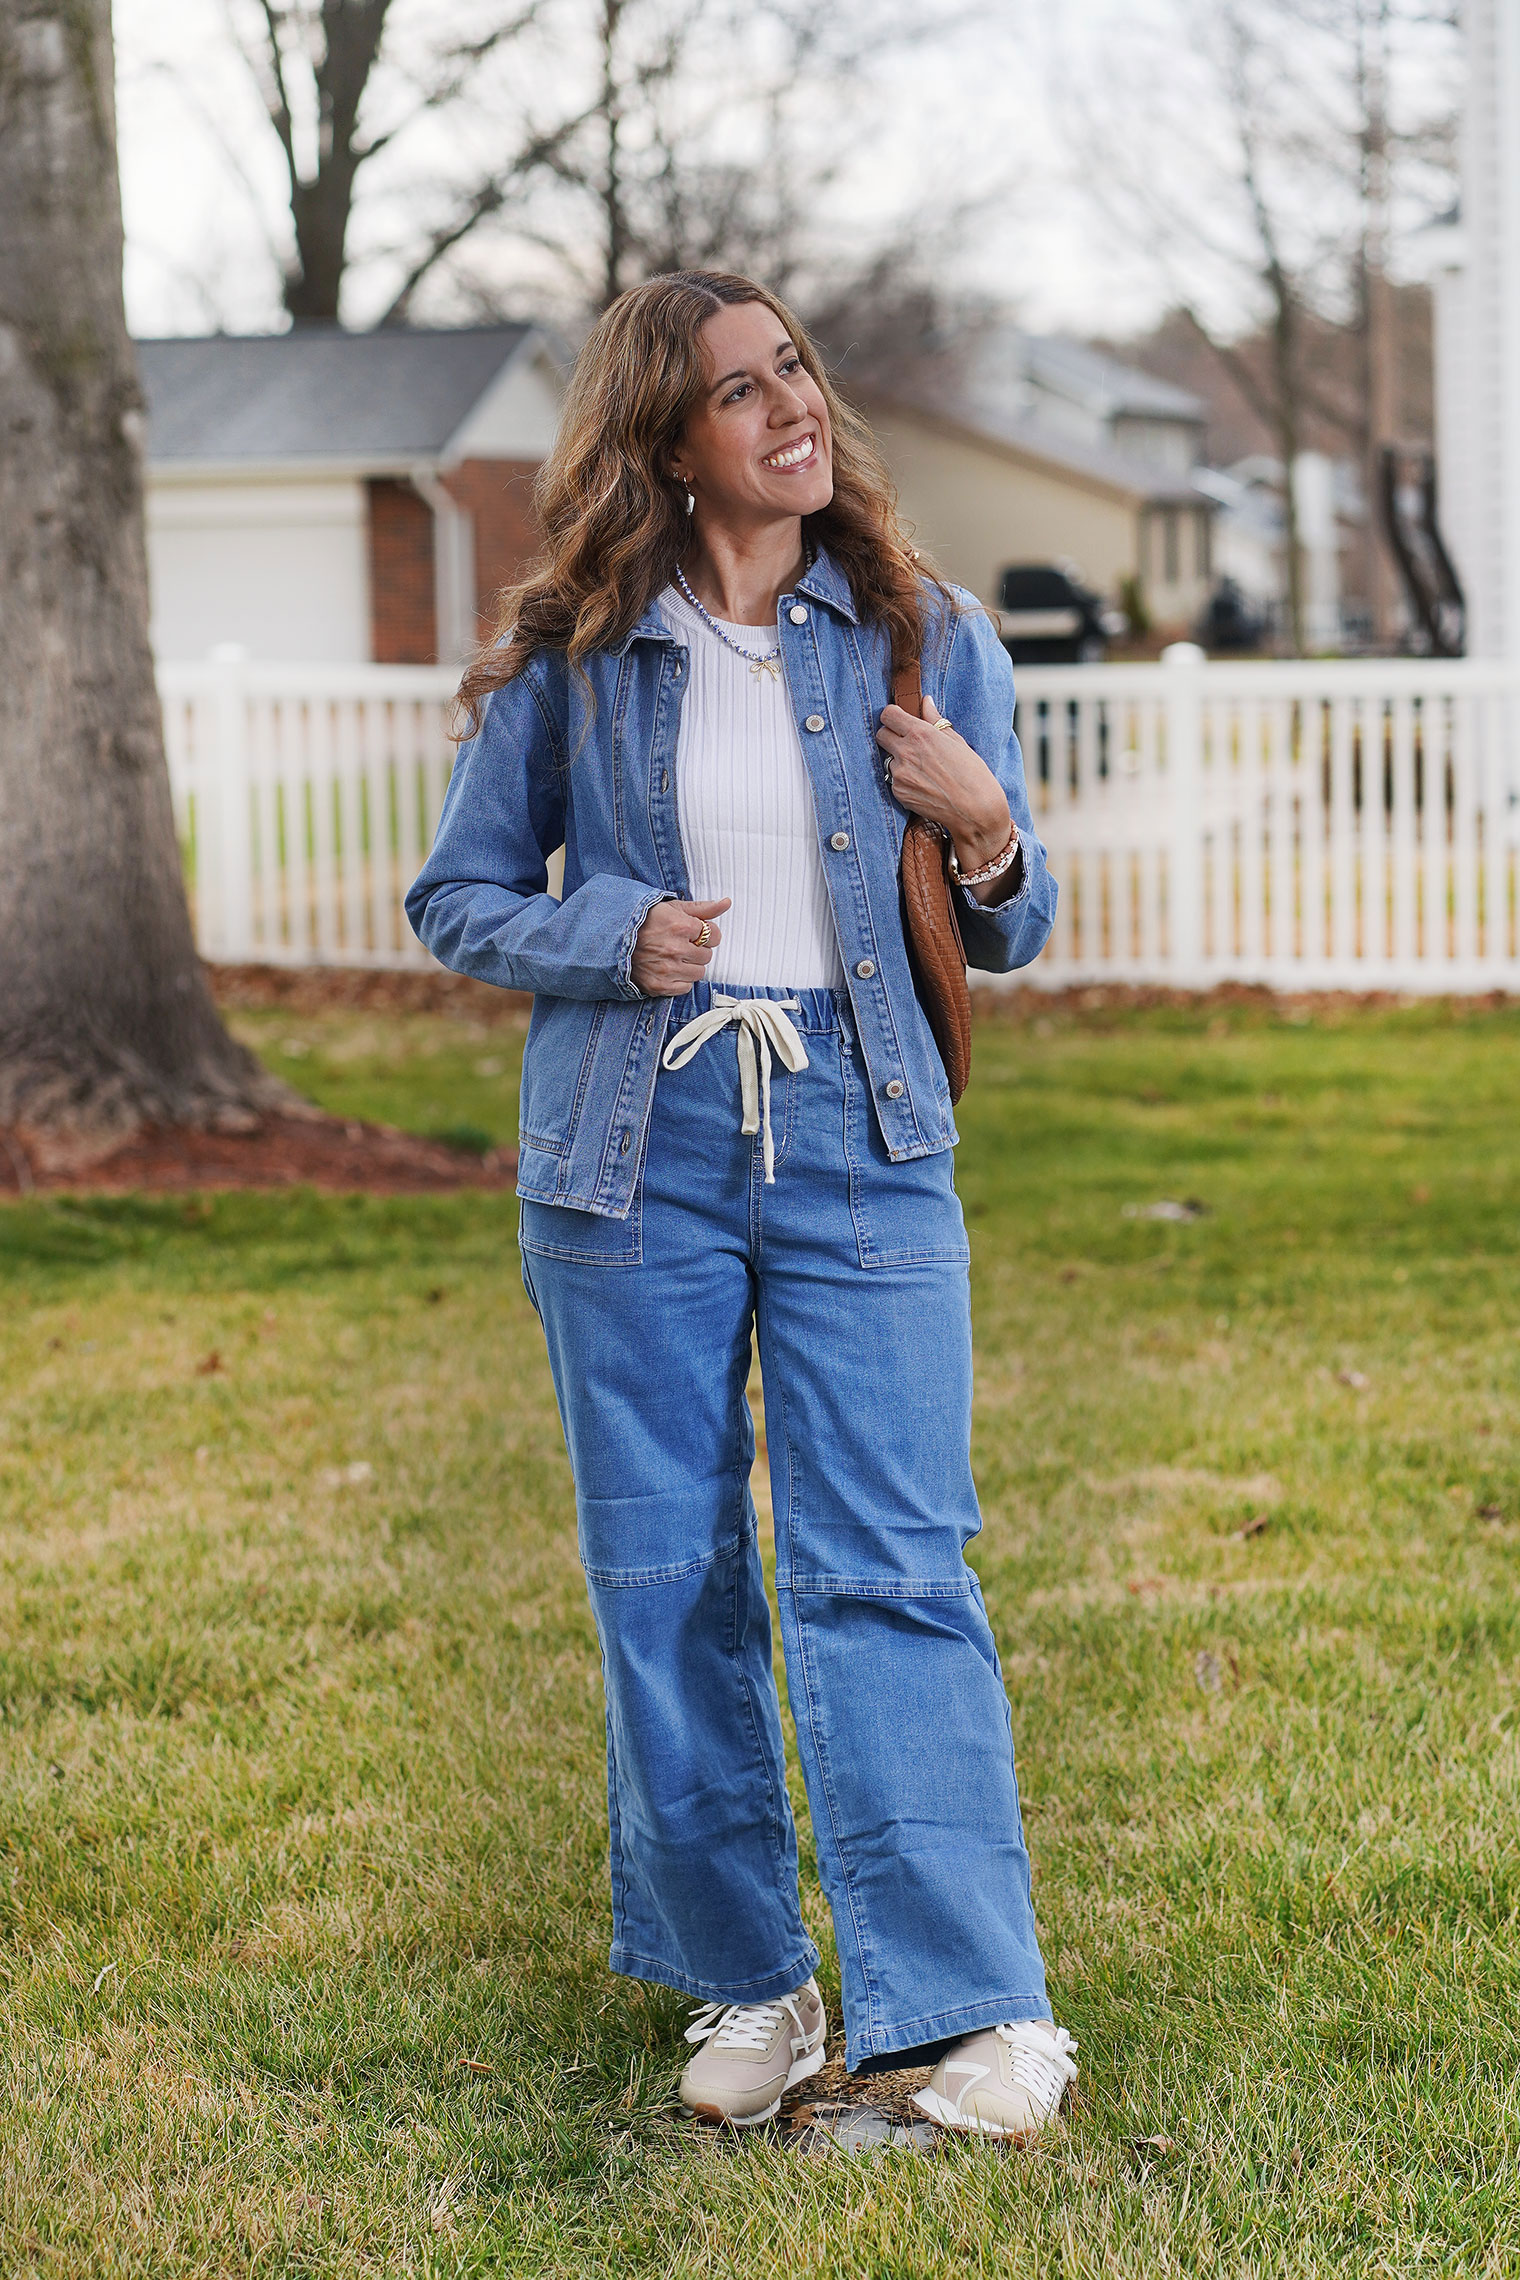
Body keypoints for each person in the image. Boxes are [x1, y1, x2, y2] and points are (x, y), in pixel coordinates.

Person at [406, 270, 1077, 2142]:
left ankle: (980, 2013)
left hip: (864, 1128)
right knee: (666, 1579)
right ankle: (754, 1980)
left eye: (794, 366)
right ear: (662, 440)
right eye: (736, 388)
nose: (790, 404)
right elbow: (458, 902)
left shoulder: (926, 633)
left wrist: (986, 821)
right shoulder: (578, 656)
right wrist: (616, 933)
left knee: (892, 1562)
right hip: (635, 1154)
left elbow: (1019, 924)